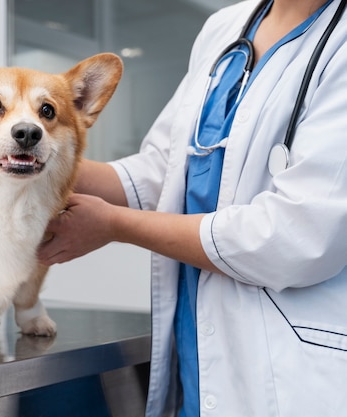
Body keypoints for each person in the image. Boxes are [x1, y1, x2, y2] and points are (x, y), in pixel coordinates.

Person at [38, 0, 347, 416]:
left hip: (296, 378)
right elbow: (162, 172)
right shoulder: (224, 27)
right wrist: (37, 156)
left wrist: (114, 225)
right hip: (199, 358)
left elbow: (296, 234)